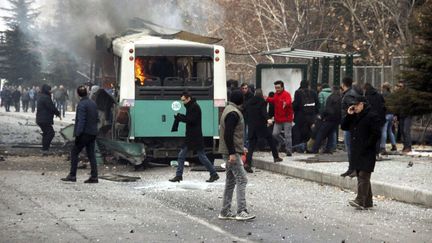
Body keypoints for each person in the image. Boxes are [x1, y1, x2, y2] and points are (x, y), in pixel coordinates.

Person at [218, 90, 255, 221]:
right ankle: (242, 211)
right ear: (241, 100)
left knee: (230, 181)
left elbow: (232, 134)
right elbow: (228, 134)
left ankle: (225, 211)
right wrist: (233, 153)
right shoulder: (234, 113)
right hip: (230, 153)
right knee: (242, 179)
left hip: (228, 150)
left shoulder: (228, 110)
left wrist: (239, 147)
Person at [169, 92, 219, 183]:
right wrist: (181, 117)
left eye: (184, 100)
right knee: (187, 155)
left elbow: (191, 120)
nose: (183, 102)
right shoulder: (192, 106)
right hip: (193, 136)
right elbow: (190, 119)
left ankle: (213, 173)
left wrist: (180, 118)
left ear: (188, 99)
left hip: (194, 136)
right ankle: (179, 175)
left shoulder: (194, 107)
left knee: (200, 156)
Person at [341, 96, 381, 210]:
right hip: (357, 150)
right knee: (361, 174)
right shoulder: (355, 116)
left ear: (362, 104)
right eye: (353, 105)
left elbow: (376, 133)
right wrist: (349, 114)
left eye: (357, 104)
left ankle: (359, 200)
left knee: (364, 174)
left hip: (367, 150)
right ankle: (368, 201)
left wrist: (368, 145)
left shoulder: (372, 115)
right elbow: (344, 126)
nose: (355, 107)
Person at [61, 85, 99, 183]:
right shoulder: (93, 103)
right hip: (93, 132)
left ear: (78, 94)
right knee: (91, 154)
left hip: (84, 133)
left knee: (74, 152)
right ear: (87, 93)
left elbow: (81, 120)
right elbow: (97, 118)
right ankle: (94, 176)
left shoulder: (82, 105)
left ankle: (72, 175)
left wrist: (78, 134)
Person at [244, 89, 283, 173]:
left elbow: (246, 113)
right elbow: (263, 112)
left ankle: (247, 163)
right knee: (270, 139)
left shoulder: (249, 102)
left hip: (251, 126)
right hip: (261, 126)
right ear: (261, 94)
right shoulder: (262, 101)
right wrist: (268, 119)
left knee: (251, 146)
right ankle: (276, 157)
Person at [339, 77, 362, 177]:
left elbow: (353, 109)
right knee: (351, 147)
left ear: (343, 85)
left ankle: (353, 169)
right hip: (352, 125)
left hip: (350, 125)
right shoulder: (352, 93)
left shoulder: (348, 95)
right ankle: (352, 168)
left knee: (350, 148)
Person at [266, 80, 294, 156]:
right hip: (278, 118)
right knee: (275, 134)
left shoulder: (286, 94)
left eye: (278, 88)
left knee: (288, 135)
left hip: (287, 118)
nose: (277, 89)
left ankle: (289, 151)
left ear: (282, 87)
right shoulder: (275, 95)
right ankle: (284, 142)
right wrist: (267, 98)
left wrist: (286, 103)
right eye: (276, 88)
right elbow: (273, 100)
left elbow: (289, 101)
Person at [311, 85, 342, 153]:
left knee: (321, 133)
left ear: (333, 90)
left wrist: (322, 116)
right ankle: (329, 149)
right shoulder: (340, 98)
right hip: (336, 119)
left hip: (329, 118)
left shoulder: (331, 97)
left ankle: (315, 149)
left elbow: (327, 109)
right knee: (331, 134)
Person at [292, 80, 319, 147]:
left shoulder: (298, 92)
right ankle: (309, 146)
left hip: (300, 116)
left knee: (298, 131)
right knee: (309, 131)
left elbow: (296, 105)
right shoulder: (313, 92)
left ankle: (297, 146)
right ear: (308, 85)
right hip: (311, 116)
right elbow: (317, 104)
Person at [36, 84, 61, 155]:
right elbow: (51, 107)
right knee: (50, 133)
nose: (51, 91)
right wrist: (58, 113)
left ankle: (44, 148)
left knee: (46, 133)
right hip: (44, 119)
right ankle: (45, 148)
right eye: (49, 90)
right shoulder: (46, 98)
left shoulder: (41, 96)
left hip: (41, 119)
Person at [363, 83, 386, 156]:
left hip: (369, 119)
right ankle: (376, 152)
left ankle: (370, 152)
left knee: (369, 135)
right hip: (379, 118)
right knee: (377, 135)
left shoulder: (366, 97)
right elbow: (383, 107)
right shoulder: (379, 95)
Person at [380, 82, 397, 154]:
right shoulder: (393, 95)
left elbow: (382, 105)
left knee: (384, 130)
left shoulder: (382, 95)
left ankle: (383, 147)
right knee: (390, 130)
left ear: (384, 88)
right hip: (392, 114)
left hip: (386, 114)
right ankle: (394, 145)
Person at [240, 82, 254, 150]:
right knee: (244, 131)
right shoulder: (242, 95)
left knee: (247, 131)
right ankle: (245, 145)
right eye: (243, 88)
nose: (244, 90)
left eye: (246, 88)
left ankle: (247, 146)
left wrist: (242, 106)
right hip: (244, 115)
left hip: (249, 116)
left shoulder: (250, 95)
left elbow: (247, 105)